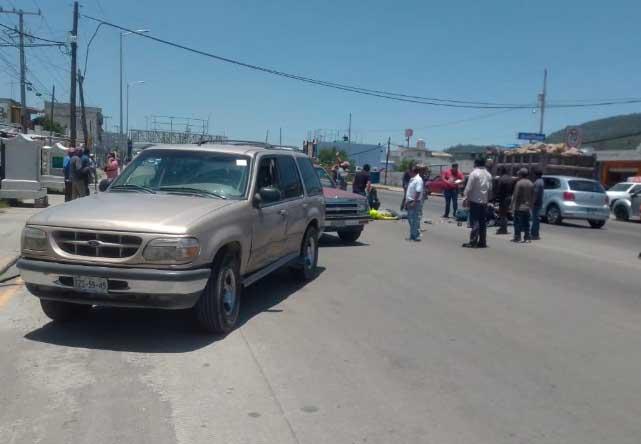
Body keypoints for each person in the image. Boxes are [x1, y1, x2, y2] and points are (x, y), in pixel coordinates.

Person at [462, 157, 493, 248]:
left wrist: (465, 197)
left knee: (475, 221)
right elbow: (490, 189)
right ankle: (482, 242)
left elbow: (469, 187)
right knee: (482, 222)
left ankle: (473, 241)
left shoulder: (474, 173)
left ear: (476, 164)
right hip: (484, 201)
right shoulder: (488, 174)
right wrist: (489, 200)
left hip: (475, 201)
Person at [511, 168, 534, 243]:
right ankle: (527, 237)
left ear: (521, 174)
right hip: (527, 207)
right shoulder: (531, 183)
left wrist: (512, 205)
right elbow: (532, 196)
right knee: (526, 223)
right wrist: (531, 206)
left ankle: (517, 237)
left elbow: (515, 195)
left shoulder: (519, 183)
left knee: (517, 223)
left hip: (519, 207)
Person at [405, 165, 424, 241]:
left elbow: (418, 191)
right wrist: (406, 202)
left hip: (414, 202)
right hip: (410, 201)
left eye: (409, 172)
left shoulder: (418, 180)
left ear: (412, 172)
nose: (408, 173)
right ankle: (413, 235)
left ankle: (415, 236)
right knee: (410, 219)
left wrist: (414, 202)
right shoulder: (412, 179)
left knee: (414, 220)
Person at [495, 166, 514, 235]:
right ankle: (503, 228)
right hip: (509, 197)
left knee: (502, 214)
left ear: (502, 171)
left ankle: (503, 228)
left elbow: (498, 189)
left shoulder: (501, 179)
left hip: (503, 198)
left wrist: (496, 198)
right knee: (505, 213)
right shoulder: (511, 179)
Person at [531, 169, 544, 240]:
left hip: (536, 203)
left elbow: (535, 193)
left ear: (536, 174)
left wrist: (532, 203)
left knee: (535, 219)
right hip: (539, 202)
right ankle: (535, 233)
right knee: (536, 219)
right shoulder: (541, 181)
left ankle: (534, 234)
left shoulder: (537, 182)